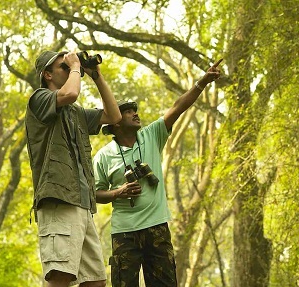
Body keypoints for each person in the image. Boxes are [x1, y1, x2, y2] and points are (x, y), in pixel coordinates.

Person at [93, 58, 223, 287]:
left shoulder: (151, 135)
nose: (135, 114)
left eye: (135, 111)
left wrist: (203, 81)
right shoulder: (103, 156)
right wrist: (118, 193)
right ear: (114, 123)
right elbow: (94, 194)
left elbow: (179, 106)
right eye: (127, 112)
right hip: (124, 233)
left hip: (157, 227)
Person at [25, 50, 122, 287]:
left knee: (95, 281)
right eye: (63, 67)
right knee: (61, 277)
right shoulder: (39, 99)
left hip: (82, 204)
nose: (70, 70)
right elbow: (70, 93)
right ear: (47, 74)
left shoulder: (74, 112)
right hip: (59, 200)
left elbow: (114, 115)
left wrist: (97, 76)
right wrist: (77, 66)